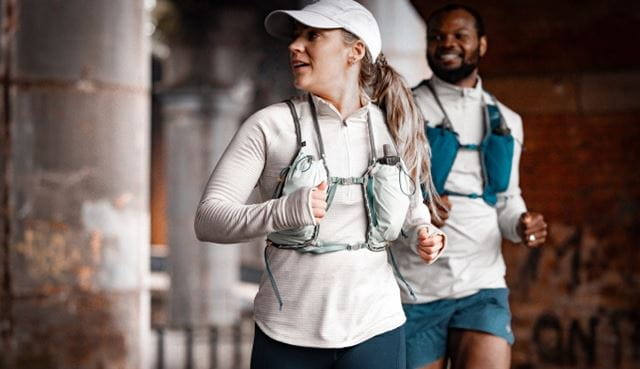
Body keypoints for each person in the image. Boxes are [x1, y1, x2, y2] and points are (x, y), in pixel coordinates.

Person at [194, 1, 445, 368]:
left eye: (312, 35)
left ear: (355, 51)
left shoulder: (395, 125)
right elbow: (208, 219)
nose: (295, 46)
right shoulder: (269, 126)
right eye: (295, 36)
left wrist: (425, 231)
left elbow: (412, 208)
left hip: (376, 326)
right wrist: (283, 210)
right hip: (286, 331)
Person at [392, 4, 548, 369]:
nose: (447, 43)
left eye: (459, 35)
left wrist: (522, 224)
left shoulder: (508, 121)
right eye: (437, 36)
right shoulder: (402, 109)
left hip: (482, 284)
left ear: (482, 45)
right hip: (415, 291)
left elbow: (507, 201)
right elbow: (381, 196)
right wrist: (414, 212)